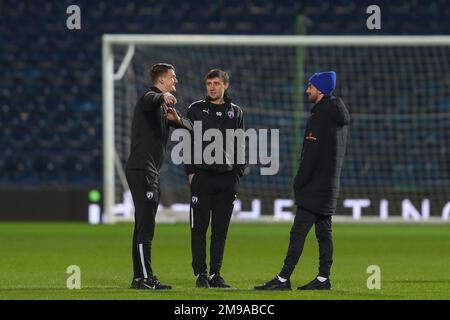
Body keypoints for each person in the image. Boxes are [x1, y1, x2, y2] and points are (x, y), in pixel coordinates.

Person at [255, 71, 350, 291]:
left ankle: (282, 279)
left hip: (315, 187)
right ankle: (323, 279)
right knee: (324, 233)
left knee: (298, 233)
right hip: (329, 185)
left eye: (310, 86)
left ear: (320, 90)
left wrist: (299, 181)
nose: (307, 90)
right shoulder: (338, 115)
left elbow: (311, 154)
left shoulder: (320, 116)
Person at [125, 63, 193, 290]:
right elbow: (149, 100)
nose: (176, 81)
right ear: (162, 80)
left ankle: (138, 278)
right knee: (146, 226)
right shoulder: (150, 97)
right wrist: (162, 96)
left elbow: (190, 128)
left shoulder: (162, 108)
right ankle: (146, 278)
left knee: (142, 225)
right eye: (173, 77)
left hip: (147, 170)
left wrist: (177, 121)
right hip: (143, 170)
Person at [185, 69, 246, 288]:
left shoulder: (236, 112)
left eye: (216, 83)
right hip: (202, 178)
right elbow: (187, 143)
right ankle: (201, 274)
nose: (212, 87)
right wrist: (191, 173)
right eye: (209, 83)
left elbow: (240, 144)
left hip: (227, 180)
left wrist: (237, 173)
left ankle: (215, 274)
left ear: (225, 86)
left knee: (220, 230)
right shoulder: (195, 109)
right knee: (199, 229)